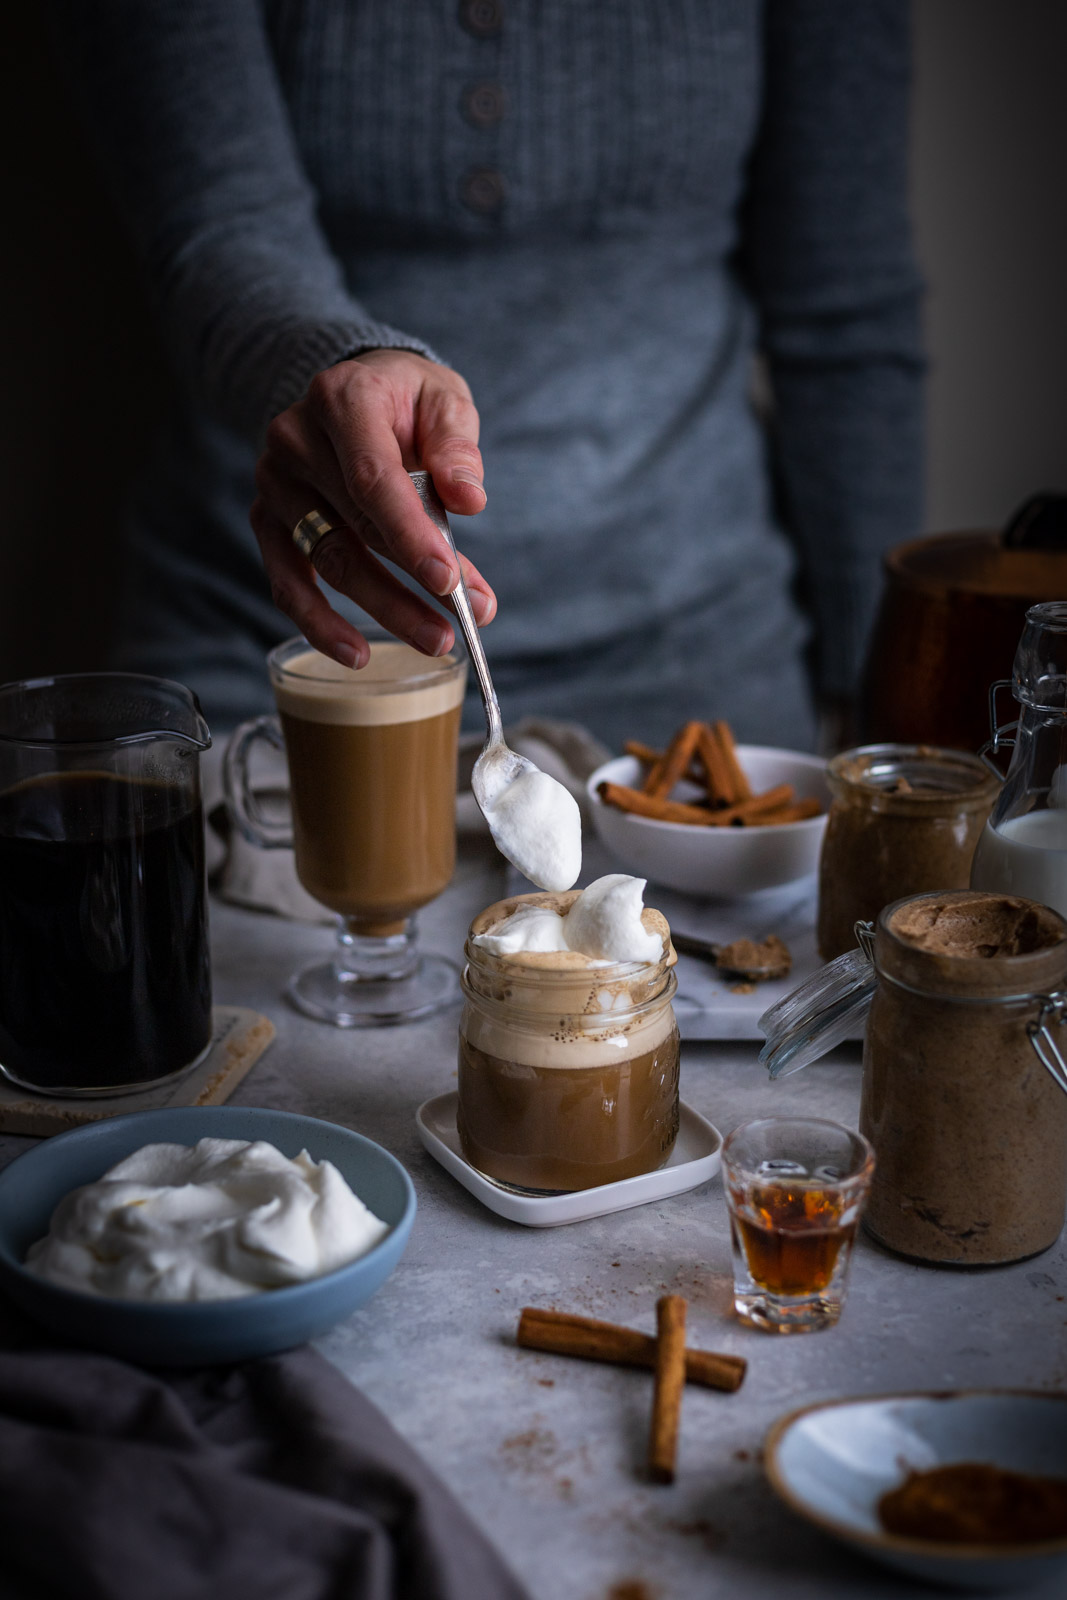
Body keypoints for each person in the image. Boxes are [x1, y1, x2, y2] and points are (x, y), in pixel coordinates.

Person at [52, 0, 924, 751]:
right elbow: (213, 224)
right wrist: (332, 364)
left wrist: (885, 689)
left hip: (693, 678)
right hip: (281, 653)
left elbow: (843, 305)